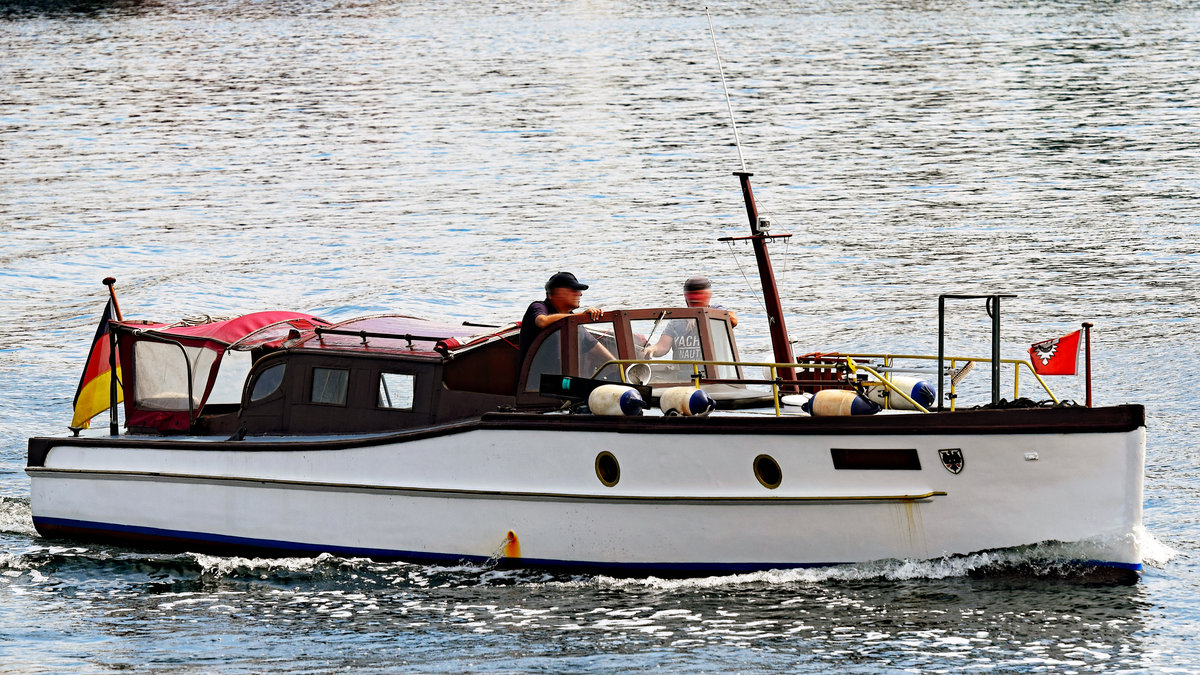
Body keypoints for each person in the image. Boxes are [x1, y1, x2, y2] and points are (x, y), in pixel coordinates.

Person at [518, 272, 606, 364]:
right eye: (575, 290)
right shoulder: (538, 307)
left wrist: (619, 367)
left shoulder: (574, 321)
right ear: (558, 292)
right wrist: (581, 315)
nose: (580, 294)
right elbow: (542, 321)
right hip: (538, 377)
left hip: (566, 378)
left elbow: (596, 348)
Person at [641, 276, 737, 360]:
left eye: (699, 296)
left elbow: (732, 320)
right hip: (683, 376)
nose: (695, 301)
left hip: (712, 374)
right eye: (692, 297)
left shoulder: (717, 311)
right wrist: (652, 349)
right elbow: (662, 347)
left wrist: (699, 316)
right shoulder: (676, 322)